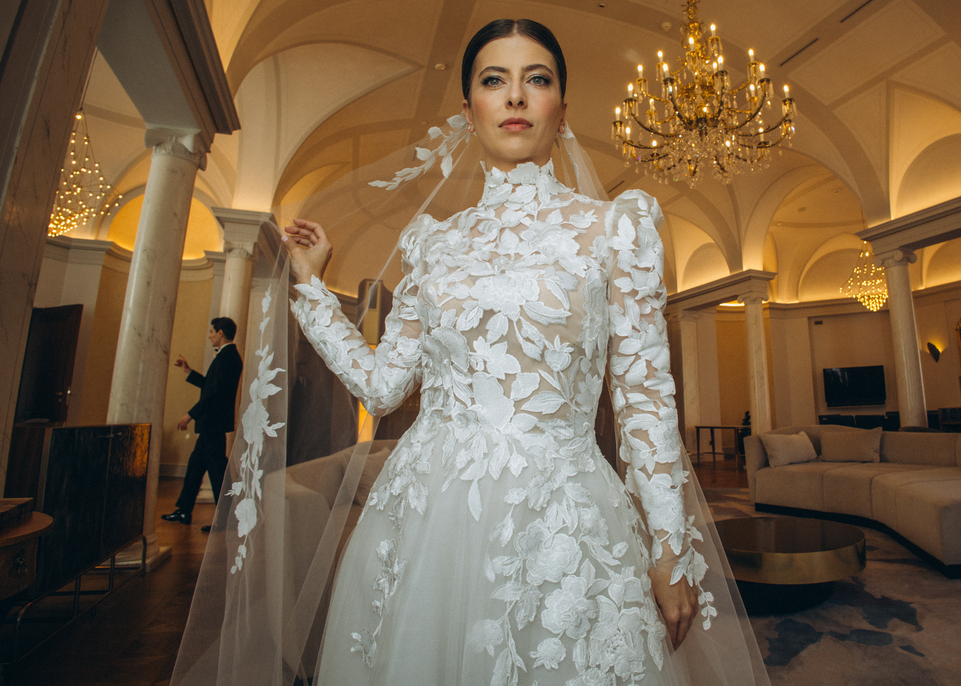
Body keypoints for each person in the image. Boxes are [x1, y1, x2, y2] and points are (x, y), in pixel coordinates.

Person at [274, 19, 770, 685]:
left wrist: (668, 547)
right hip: (427, 520)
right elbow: (382, 386)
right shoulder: (432, 245)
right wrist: (310, 285)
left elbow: (644, 399)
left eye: (535, 80)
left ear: (560, 110)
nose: (514, 97)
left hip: (562, 520)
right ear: (467, 109)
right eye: (493, 80)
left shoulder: (615, 230)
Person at [162, 317, 243, 529]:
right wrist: (188, 371)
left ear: (221, 333)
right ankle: (184, 511)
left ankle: (227, 518)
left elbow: (214, 394)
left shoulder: (227, 357)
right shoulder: (228, 356)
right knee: (195, 468)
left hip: (212, 423)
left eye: (211, 332)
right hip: (212, 424)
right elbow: (210, 386)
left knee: (218, 473)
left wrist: (190, 415)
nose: (209, 336)